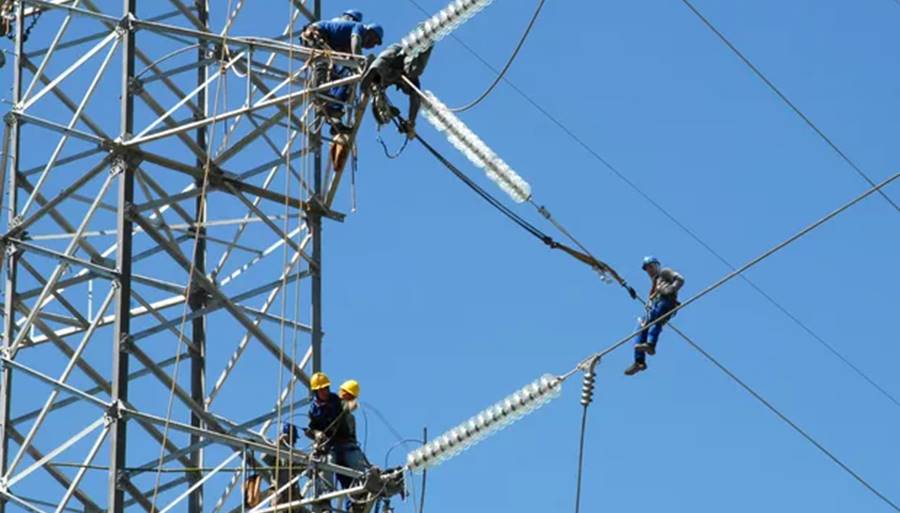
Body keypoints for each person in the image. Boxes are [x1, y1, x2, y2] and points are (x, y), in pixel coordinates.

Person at [624, 256, 685, 376]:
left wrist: (671, 288)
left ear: (657, 266)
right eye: (647, 269)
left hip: (666, 302)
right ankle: (639, 361)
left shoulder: (664, 272)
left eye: (651, 267)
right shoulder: (655, 283)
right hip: (657, 305)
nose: (649, 271)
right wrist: (647, 300)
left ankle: (651, 344)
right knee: (641, 328)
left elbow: (680, 279)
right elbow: (651, 296)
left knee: (656, 320)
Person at [361, 41, 433, 140]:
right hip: (379, 73)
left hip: (388, 78)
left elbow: (415, 98)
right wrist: (369, 76)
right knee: (377, 73)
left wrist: (411, 122)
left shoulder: (412, 77)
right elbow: (381, 60)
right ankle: (378, 94)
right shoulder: (398, 51)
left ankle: (381, 102)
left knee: (411, 78)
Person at [260, 423, 303, 508]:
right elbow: (265, 458)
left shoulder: (293, 455)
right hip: (279, 494)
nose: (293, 442)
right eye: (292, 439)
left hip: (293, 496)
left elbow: (304, 467)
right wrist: (278, 444)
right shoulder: (275, 450)